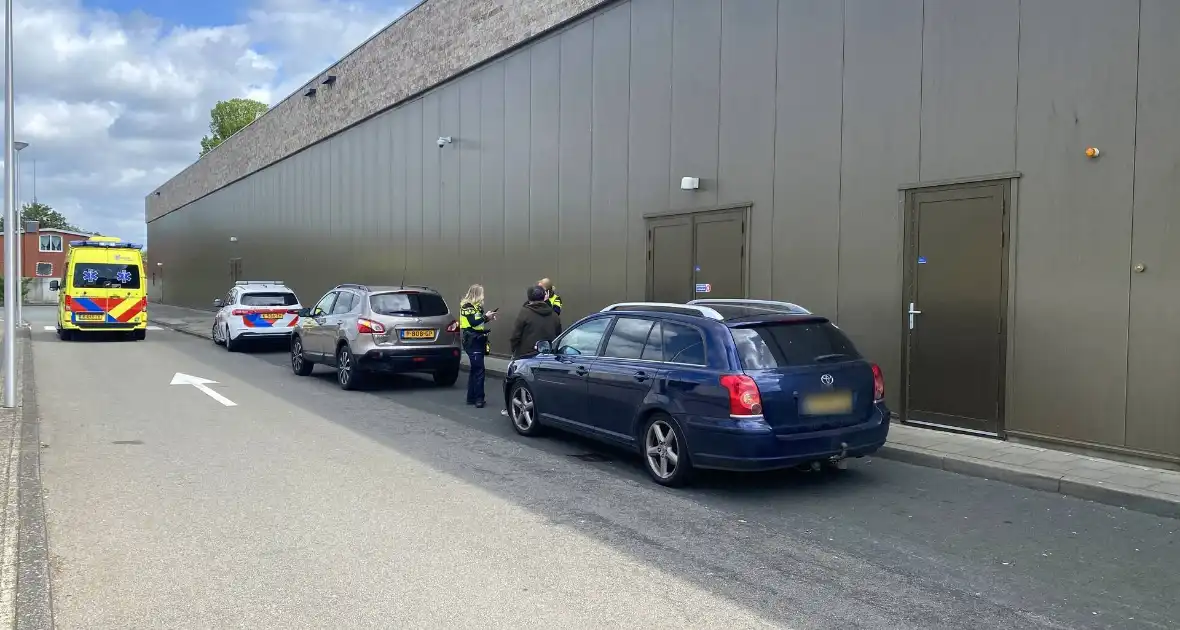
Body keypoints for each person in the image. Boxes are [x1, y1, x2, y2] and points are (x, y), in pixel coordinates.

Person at [459, 284, 496, 408]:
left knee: (475, 369)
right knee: (479, 370)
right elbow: (473, 322)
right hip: (472, 340)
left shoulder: (477, 307)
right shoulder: (467, 306)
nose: (484, 296)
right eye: (482, 293)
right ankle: (479, 399)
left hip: (478, 339)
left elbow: (478, 322)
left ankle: (471, 397)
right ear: (477, 294)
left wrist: (488, 318)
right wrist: (486, 316)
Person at [510, 284, 563, 359]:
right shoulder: (554, 315)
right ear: (544, 296)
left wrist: (514, 352)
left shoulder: (524, 313)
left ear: (529, 297)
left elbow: (515, 336)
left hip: (526, 358)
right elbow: (558, 336)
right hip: (548, 357)